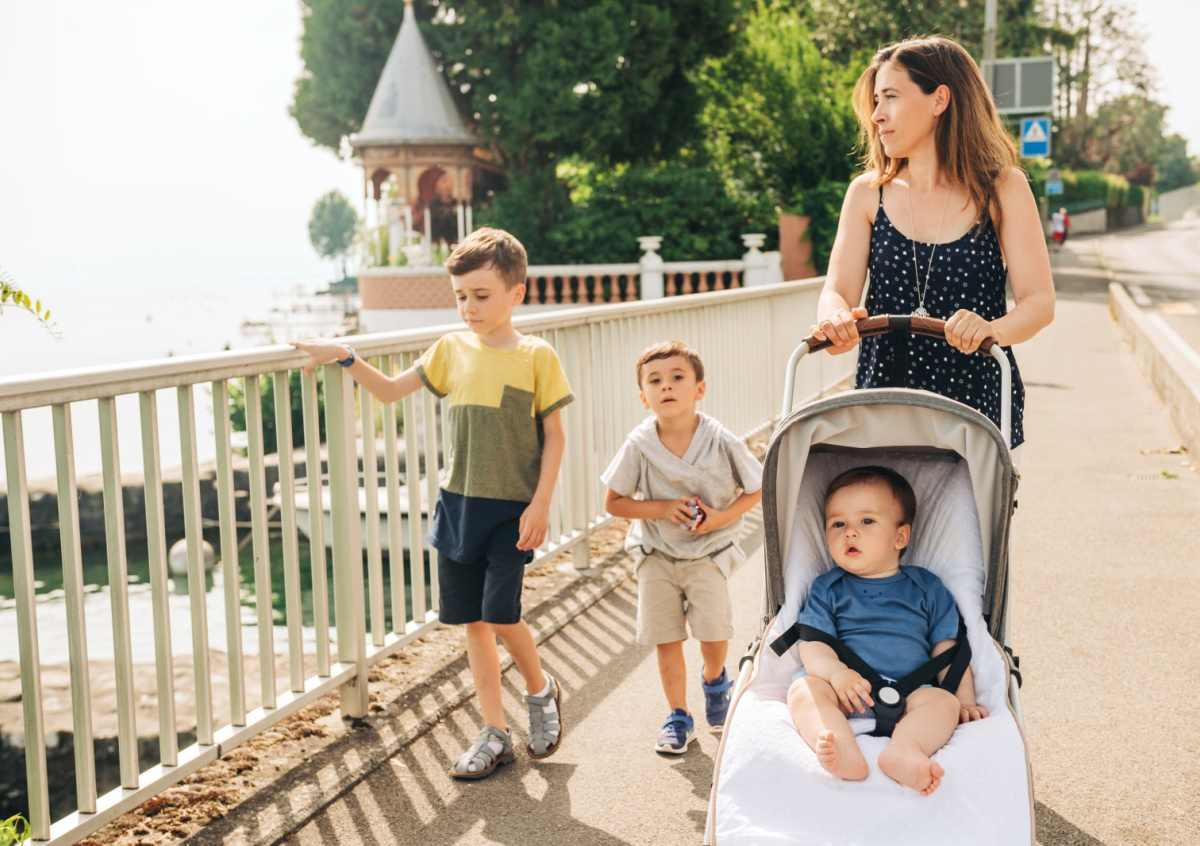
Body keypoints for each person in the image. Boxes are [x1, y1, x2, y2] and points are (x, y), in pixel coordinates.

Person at [290, 227, 573, 780]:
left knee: (502, 614)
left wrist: (541, 504)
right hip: (457, 505)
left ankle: (540, 690)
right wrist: (345, 355)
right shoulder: (450, 348)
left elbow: (556, 435)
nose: (469, 307)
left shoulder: (537, 356)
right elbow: (391, 390)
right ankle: (495, 732)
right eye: (461, 296)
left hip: (512, 509)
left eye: (481, 295)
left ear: (516, 293)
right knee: (472, 622)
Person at [809, 35, 1055, 453]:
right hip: (885, 399)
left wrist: (991, 329)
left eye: (890, 97)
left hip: (975, 406)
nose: (877, 114)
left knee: (971, 500)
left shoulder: (1003, 188)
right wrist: (835, 319)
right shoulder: (867, 193)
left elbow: (1040, 302)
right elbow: (837, 290)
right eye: (876, 100)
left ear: (939, 99)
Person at [602, 341, 763, 754]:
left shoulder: (719, 439)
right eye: (655, 381)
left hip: (708, 552)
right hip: (656, 553)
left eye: (677, 377)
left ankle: (715, 680)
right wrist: (663, 508)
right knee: (666, 638)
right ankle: (678, 715)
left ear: (699, 389)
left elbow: (757, 487)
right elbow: (614, 502)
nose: (667, 386)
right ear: (643, 397)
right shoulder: (639, 444)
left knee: (713, 634)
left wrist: (720, 518)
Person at [786, 466, 987, 796]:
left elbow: (947, 649)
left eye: (866, 521)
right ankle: (840, 744)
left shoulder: (927, 587)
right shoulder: (828, 588)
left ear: (900, 537)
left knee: (943, 703)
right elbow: (812, 642)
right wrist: (836, 674)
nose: (850, 533)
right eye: (838, 524)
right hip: (846, 691)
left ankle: (905, 749)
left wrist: (964, 698)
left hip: (912, 692)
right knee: (805, 690)